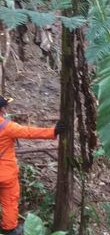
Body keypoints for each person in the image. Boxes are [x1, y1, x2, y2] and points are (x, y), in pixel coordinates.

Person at [0, 95, 63, 235]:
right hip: (5, 175)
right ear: (2, 109)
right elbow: (29, 132)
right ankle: (9, 230)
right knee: (10, 201)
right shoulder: (7, 127)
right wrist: (54, 131)